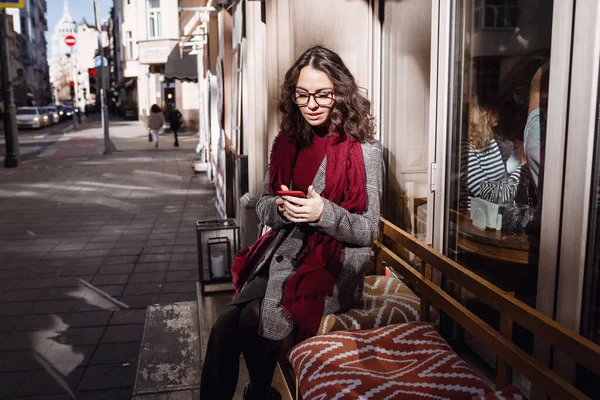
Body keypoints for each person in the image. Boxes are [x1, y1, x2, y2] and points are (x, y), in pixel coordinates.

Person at [199, 45, 383, 400]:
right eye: (302, 94)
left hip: (329, 269)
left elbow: (369, 230)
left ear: (340, 93)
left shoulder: (364, 151)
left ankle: (260, 393)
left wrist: (322, 214)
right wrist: (282, 210)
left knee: (254, 318)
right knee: (223, 328)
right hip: (280, 257)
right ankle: (260, 394)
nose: (311, 104)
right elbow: (265, 203)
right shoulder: (287, 142)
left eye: (322, 94)